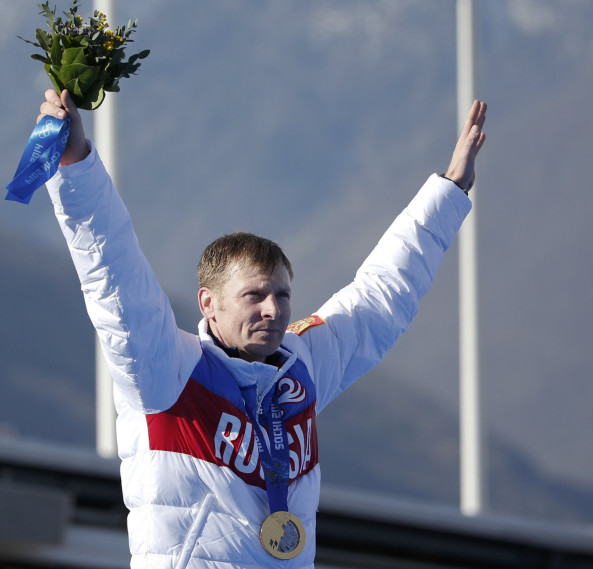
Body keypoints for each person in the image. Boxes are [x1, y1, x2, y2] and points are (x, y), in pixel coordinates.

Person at [38, 88, 486, 569]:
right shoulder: (166, 369)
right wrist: (77, 165)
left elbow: (381, 295)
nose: (274, 310)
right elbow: (113, 273)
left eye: (283, 295)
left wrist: (450, 190)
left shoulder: (303, 369)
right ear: (209, 304)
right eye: (254, 296)